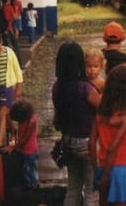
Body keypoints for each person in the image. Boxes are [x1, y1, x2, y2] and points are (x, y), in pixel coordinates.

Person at [52, 41, 101, 206]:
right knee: (92, 191)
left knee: (73, 189)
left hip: (68, 142)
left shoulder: (57, 87)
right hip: (88, 144)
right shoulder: (85, 89)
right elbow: (104, 108)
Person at [89, 64, 126, 206]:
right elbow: (113, 148)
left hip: (103, 166)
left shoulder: (100, 112)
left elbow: (91, 142)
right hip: (122, 170)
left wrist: (98, 171)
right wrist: (105, 177)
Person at [4, 100, 40, 189]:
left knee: (31, 174)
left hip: (30, 152)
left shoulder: (32, 121)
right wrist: (12, 127)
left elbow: (24, 139)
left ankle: (35, 190)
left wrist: (12, 147)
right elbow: (7, 114)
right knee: (24, 173)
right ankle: (28, 190)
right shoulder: (23, 117)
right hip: (22, 149)